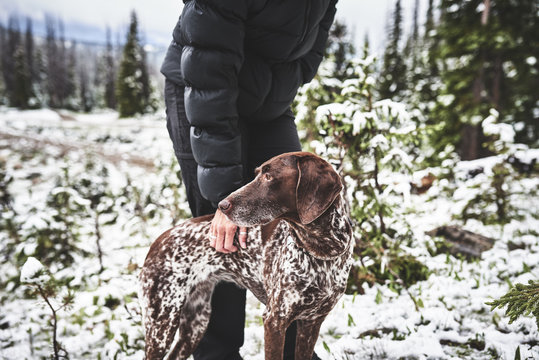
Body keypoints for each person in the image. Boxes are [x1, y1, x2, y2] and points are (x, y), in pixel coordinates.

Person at [161, 0, 338, 358]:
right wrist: (228, 197)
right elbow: (208, 68)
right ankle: (218, 351)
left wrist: (283, 81)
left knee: (296, 214)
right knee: (225, 235)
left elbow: (313, 44)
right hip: (205, 92)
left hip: (270, 101)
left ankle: (292, 348)